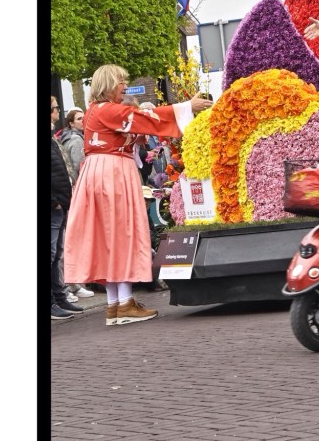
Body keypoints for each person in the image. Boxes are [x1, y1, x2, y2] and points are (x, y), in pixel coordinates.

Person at [64, 66, 212, 327]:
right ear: (109, 83)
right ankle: (125, 303)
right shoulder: (109, 110)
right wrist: (187, 106)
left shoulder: (93, 112)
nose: (124, 85)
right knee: (123, 233)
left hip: (97, 173)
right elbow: (146, 117)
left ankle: (115, 305)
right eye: (121, 81)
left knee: (107, 237)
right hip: (113, 173)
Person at [58, 108, 96, 302]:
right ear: (71, 123)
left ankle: (73, 284)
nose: (83, 121)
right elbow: (79, 169)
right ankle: (73, 284)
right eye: (79, 118)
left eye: (84, 117)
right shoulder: (76, 141)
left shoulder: (69, 138)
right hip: (76, 194)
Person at [51, 97, 83, 320]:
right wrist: (54, 199)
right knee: (51, 253)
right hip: (55, 204)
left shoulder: (53, 138)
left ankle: (59, 297)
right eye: (55, 108)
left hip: (61, 202)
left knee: (57, 252)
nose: (57, 112)